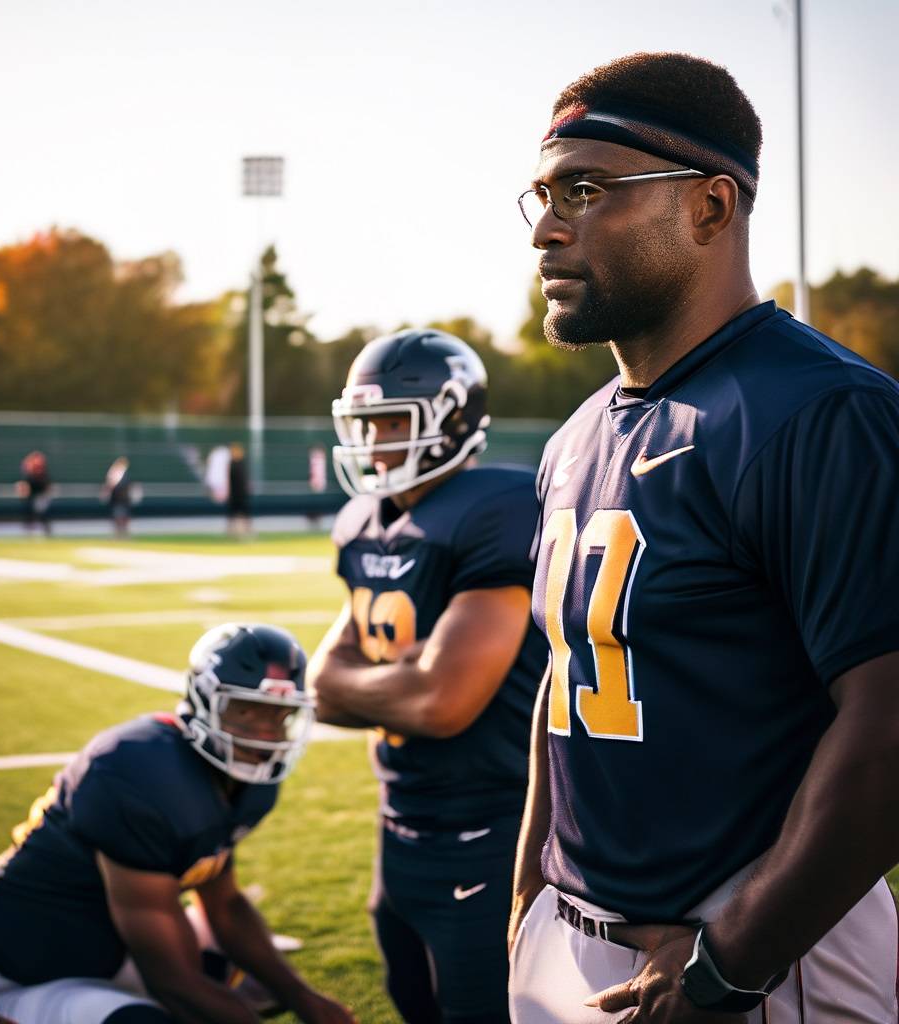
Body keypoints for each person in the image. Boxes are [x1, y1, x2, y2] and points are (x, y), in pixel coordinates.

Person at [508, 52, 899, 1024]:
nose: (548, 228)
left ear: (711, 208)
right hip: (574, 935)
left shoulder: (821, 411)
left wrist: (732, 963)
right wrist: (529, 896)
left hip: (751, 954)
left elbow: (890, 720)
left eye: (588, 190)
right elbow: (568, 677)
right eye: (543, 195)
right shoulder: (574, 438)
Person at [0, 623, 355, 1024]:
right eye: (246, 710)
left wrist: (304, 998)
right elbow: (175, 983)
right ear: (205, 700)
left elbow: (223, 904)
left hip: (100, 959)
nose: (265, 732)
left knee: (256, 985)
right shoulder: (136, 772)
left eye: (279, 714)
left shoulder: (244, 780)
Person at [308, 329, 549, 1024]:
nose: (374, 442)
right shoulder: (363, 522)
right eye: (365, 423)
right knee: (411, 1002)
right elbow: (320, 682)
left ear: (449, 419)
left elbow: (443, 702)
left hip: (489, 823)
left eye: (391, 422)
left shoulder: (494, 510)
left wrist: (374, 682)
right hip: (401, 819)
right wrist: (394, 682)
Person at [17, 450, 53, 535]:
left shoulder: (43, 472)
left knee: (41, 511)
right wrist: (23, 491)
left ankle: (46, 528)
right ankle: (29, 527)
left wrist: (47, 492)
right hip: (32, 493)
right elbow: (25, 483)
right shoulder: (29, 471)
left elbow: (47, 484)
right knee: (29, 509)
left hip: (40, 492)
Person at [101, 455, 133, 536]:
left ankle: (123, 533)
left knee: (124, 516)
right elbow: (110, 484)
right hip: (117, 498)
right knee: (118, 516)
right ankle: (119, 533)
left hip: (123, 498)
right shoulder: (115, 472)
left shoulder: (122, 473)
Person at [227, 443, 251, 537]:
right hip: (234, 493)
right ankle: (231, 531)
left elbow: (245, 479)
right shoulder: (231, 464)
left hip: (242, 493)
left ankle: (247, 530)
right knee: (232, 513)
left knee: (245, 513)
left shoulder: (242, 463)